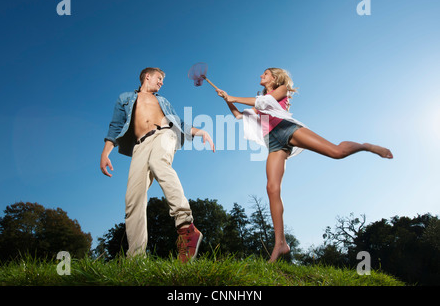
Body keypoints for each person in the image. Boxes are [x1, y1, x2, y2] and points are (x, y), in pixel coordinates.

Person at [216, 67, 393, 262]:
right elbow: (240, 116)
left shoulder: (281, 89)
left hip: (287, 130)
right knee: (272, 188)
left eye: (264, 74)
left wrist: (233, 97)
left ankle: (365, 146)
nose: (260, 76)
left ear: (274, 78)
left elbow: (265, 102)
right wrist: (227, 99)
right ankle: (280, 243)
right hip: (273, 143)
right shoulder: (257, 102)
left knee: (336, 152)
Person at [100, 67, 215, 262]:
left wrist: (200, 131)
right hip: (140, 145)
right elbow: (116, 126)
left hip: (164, 134)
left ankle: (186, 227)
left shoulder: (162, 101)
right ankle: (135, 258)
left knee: (158, 162)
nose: (161, 82)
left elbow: (177, 121)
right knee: (132, 198)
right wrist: (105, 153)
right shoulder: (125, 98)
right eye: (159, 78)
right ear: (147, 76)